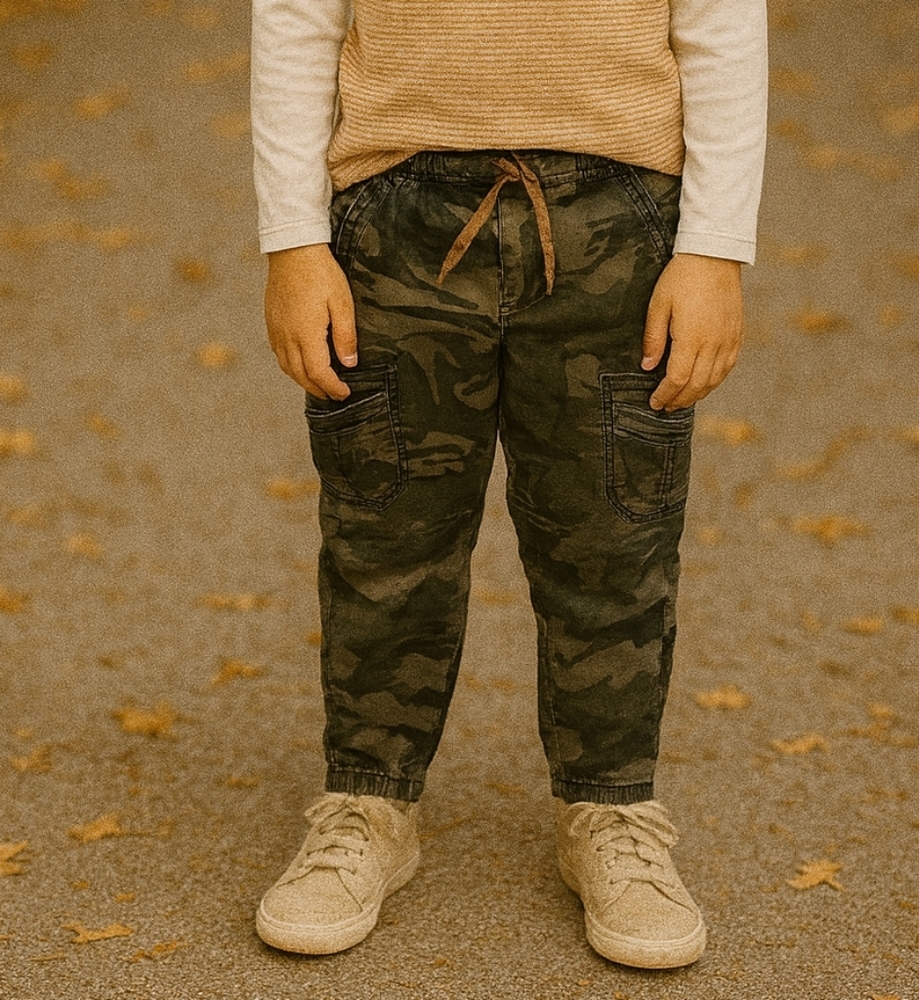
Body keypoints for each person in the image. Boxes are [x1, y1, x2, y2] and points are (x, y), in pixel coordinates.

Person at [250, 0, 767, 969]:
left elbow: (722, 24)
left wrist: (713, 247)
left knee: (613, 541)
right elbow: (296, 17)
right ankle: (367, 800)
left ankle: (611, 810)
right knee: (385, 536)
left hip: (619, 224)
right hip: (393, 222)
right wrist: (293, 238)